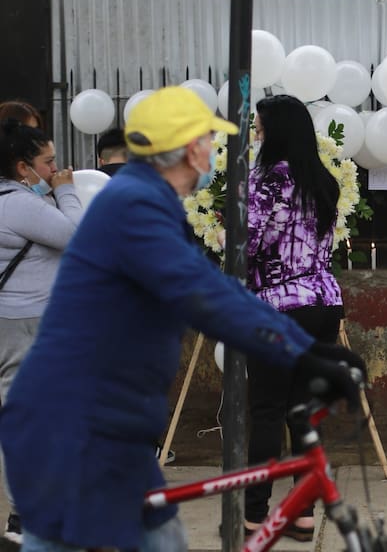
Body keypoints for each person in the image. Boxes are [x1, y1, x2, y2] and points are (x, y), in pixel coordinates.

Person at [0, 86, 366, 552]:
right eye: (209, 141)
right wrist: (303, 353)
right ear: (191, 149)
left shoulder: (148, 201)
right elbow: (204, 295)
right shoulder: (135, 208)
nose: (214, 154)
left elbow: (211, 287)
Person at [244, 94, 345, 542]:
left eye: (261, 129)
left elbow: (248, 244)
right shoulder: (323, 179)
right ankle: (303, 514)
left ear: (276, 131)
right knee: (302, 413)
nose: (257, 136)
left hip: (280, 307)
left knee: (266, 410)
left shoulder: (269, 180)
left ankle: (255, 515)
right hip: (324, 303)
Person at [0, 119, 82, 544]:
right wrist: (66, 191)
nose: (55, 169)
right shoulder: (18, 204)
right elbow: (77, 235)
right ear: (21, 168)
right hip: (28, 323)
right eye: (48, 162)